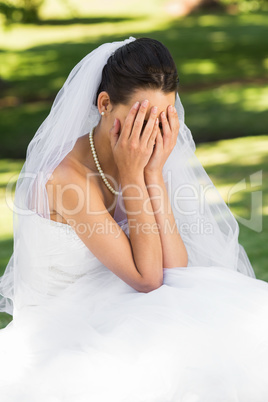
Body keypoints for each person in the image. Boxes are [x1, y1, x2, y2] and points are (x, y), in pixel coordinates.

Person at [0, 36, 268, 402]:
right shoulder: (66, 179)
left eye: (162, 120)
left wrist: (153, 174)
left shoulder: (142, 158)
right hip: (68, 322)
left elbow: (176, 268)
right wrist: (132, 176)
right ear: (105, 104)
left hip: (121, 301)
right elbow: (147, 279)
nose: (150, 135)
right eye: (141, 119)